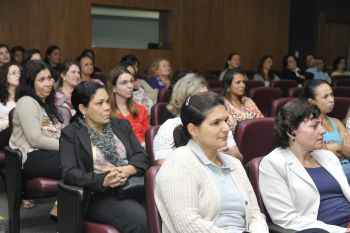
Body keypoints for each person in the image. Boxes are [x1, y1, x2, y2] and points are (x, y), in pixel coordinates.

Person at [155, 91, 269, 233]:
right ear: (193, 129)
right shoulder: (179, 162)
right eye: (216, 123)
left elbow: (255, 215)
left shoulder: (234, 163)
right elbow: (188, 225)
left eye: (226, 120)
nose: (226, 128)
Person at [60, 81, 149, 233]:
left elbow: (142, 156)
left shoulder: (121, 125)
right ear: (83, 108)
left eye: (108, 101)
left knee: (166, 209)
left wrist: (129, 169)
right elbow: (69, 173)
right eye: (100, 103)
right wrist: (103, 180)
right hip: (100, 194)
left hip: (134, 185)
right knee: (142, 220)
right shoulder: (71, 133)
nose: (107, 107)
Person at [259, 98, 350, 232]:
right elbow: (286, 219)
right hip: (323, 229)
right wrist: (343, 231)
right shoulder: (273, 164)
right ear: (291, 131)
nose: (323, 130)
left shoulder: (328, 157)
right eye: (314, 126)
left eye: (321, 124)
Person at [153, 73, 242, 166]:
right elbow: (162, 164)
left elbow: (239, 157)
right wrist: (208, 155)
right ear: (184, 99)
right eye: (200, 98)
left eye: (206, 96)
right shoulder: (169, 127)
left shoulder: (220, 122)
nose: (206, 101)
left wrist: (225, 155)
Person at [10, 61, 62, 210]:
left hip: (49, 153)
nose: (48, 83)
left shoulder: (47, 103)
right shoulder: (27, 102)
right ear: (30, 83)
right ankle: (64, 213)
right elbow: (35, 139)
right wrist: (67, 146)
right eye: (41, 79)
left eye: (49, 78)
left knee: (81, 160)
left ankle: (62, 210)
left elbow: (56, 132)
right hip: (32, 156)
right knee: (75, 161)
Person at [302, 79, 350, 182]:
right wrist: (342, 147)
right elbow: (322, 157)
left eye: (332, 95)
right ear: (311, 101)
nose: (331, 99)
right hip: (328, 172)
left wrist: (334, 147)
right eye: (325, 97)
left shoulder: (336, 122)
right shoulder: (307, 125)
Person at [108, 65, 149, 146]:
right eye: (124, 83)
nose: (130, 86)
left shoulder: (141, 110)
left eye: (131, 81)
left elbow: (148, 139)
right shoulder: (106, 112)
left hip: (142, 151)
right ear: (113, 88)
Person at [223, 69, 263, 134]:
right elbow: (232, 129)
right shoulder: (223, 104)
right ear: (228, 86)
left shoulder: (248, 100)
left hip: (257, 135)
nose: (243, 85)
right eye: (238, 82)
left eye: (243, 82)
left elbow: (262, 120)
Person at [0, 62, 20, 149]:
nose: (18, 75)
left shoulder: (24, 98)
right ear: (5, 76)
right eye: (13, 73)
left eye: (19, 72)